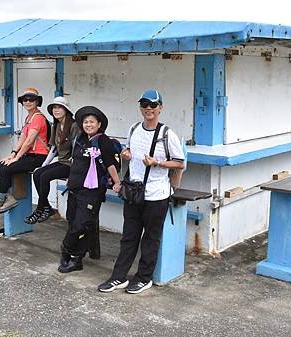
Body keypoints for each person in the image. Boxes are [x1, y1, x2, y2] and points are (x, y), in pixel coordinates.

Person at [98, 89, 184, 294]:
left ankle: (144, 278)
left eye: (153, 105)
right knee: (129, 236)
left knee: (150, 239)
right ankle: (119, 277)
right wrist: (126, 153)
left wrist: (158, 163)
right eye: (144, 104)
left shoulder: (167, 134)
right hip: (134, 192)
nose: (148, 108)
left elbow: (179, 163)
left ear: (160, 108)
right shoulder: (134, 128)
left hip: (157, 194)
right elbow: (129, 151)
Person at [58, 106, 121, 273]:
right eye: (85, 122)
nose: (88, 124)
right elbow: (76, 162)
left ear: (99, 124)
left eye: (92, 122)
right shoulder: (80, 138)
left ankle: (66, 250)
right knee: (73, 222)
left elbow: (110, 164)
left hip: (92, 191)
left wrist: (117, 182)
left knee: (82, 224)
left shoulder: (103, 141)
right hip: (75, 188)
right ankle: (77, 259)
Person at [0, 87, 49, 215]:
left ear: (37, 102)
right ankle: (8, 197)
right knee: (2, 164)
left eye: (31, 99)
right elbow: (22, 139)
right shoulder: (28, 118)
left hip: (39, 156)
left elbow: (29, 141)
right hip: (30, 155)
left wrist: (17, 158)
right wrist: (12, 154)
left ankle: (0, 199)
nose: (28, 102)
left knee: (7, 168)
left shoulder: (38, 118)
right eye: (25, 99)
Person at [25, 96, 79, 224]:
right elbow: (54, 148)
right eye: (54, 107)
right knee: (38, 174)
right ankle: (47, 207)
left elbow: (77, 150)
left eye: (59, 107)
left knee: (45, 177)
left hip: (72, 164)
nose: (56, 110)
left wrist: (74, 173)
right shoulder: (56, 124)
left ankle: (39, 209)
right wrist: (43, 165)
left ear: (66, 109)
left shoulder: (73, 125)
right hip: (62, 162)